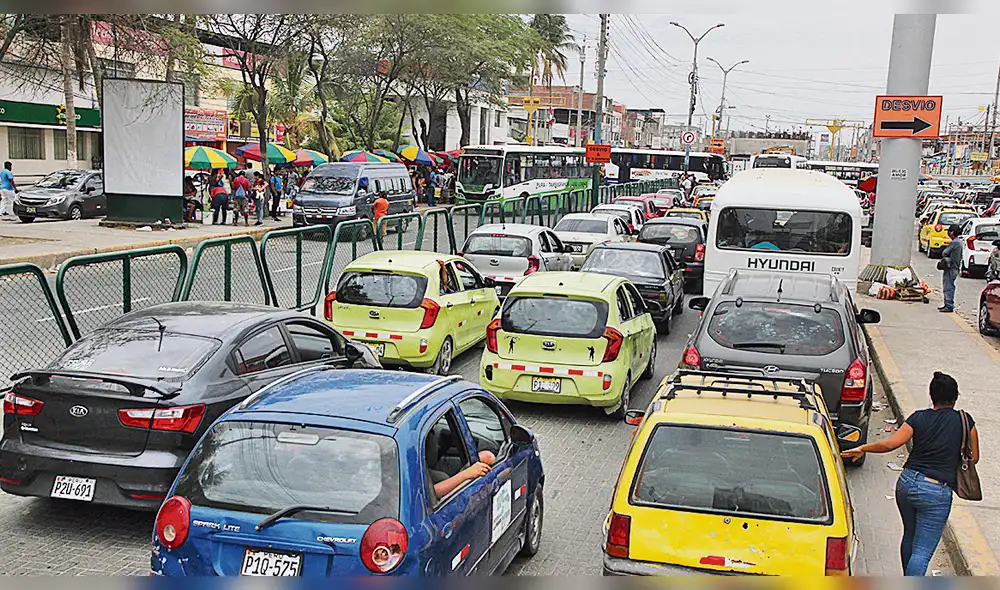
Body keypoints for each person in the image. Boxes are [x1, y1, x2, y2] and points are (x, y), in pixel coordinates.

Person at [842, 372, 979, 576]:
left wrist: (863, 448)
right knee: (922, 551)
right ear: (956, 396)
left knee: (910, 535)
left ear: (931, 395)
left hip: (907, 483)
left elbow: (890, 444)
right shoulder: (966, 421)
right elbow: (974, 457)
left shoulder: (918, 417)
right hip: (936, 491)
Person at [939, 224, 962, 313]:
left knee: (948, 286)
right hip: (955, 268)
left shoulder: (954, 242)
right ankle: (947, 304)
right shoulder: (959, 242)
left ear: (952, 232)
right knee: (949, 285)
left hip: (951, 267)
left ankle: (949, 305)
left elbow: (945, 253)